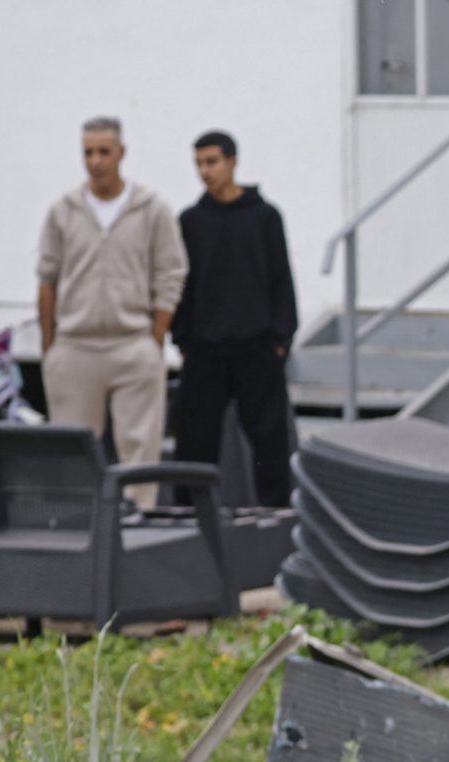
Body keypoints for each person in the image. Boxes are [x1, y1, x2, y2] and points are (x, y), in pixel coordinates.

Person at [36, 117, 186, 484]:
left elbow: (171, 272)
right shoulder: (63, 210)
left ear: (121, 153)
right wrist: (50, 346)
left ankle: (139, 516)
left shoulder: (151, 209)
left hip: (133, 343)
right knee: (72, 454)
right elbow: (47, 277)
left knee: (140, 451)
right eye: (88, 153)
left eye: (104, 152)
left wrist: (154, 338)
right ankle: (78, 517)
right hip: (75, 345)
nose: (96, 161)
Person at [172, 130, 297, 506]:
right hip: (204, 350)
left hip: (257, 346)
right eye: (198, 164)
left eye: (212, 162)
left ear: (232, 161)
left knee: (269, 442)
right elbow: (182, 284)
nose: (205, 171)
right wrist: (183, 339)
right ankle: (190, 521)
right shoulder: (191, 220)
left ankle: (276, 517)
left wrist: (281, 338)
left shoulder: (265, 216)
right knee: (194, 442)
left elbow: (280, 279)